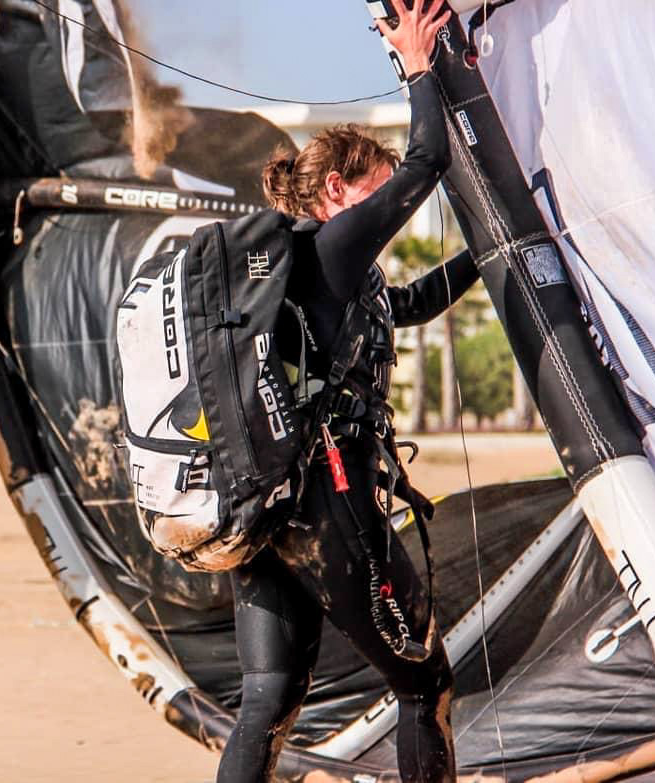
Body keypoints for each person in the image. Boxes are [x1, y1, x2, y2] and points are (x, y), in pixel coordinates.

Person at [216, 1, 479, 781]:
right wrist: (417, 63)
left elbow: (413, 302)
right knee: (423, 683)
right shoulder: (334, 245)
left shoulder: (320, 278)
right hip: (330, 510)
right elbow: (428, 157)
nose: (390, 203)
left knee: (269, 698)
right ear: (336, 188)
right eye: (375, 188)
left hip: (267, 512)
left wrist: (483, 254)